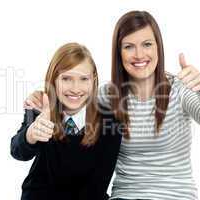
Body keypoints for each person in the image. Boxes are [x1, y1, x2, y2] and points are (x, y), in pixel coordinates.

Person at [24, 11, 200, 200]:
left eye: (147, 44)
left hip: (175, 194)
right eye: (129, 46)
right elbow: (71, 103)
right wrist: (41, 96)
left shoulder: (180, 89)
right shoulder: (106, 96)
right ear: (119, 52)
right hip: (126, 195)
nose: (139, 54)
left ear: (158, 48)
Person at [11, 43, 122, 200]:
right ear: (54, 79)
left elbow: (99, 182)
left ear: (94, 80)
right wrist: (31, 134)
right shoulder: (41, 107)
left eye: (84, 79)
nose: (75, 88)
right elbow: (17, 151)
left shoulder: (109, 121)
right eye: (66, 78)